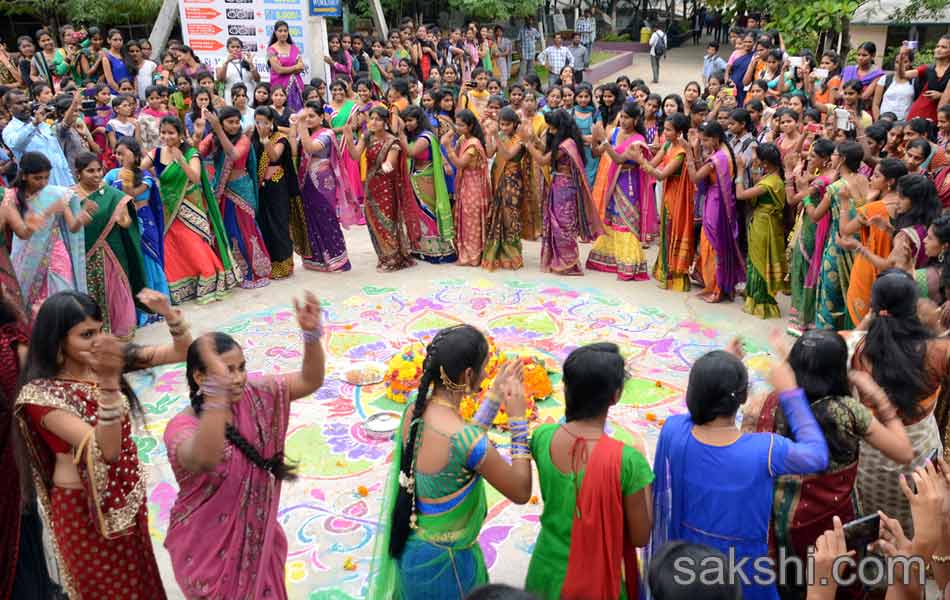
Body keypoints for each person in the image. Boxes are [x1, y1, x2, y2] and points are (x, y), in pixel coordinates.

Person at [14, 289, 190, 600]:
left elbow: (180, 352)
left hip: (124, 497)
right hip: (85, 511)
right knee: (109, 591)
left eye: (98, 330)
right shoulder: (41, 396)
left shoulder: (103, 361)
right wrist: (109, 385)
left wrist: (170, 315)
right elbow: (104, 452)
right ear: (58, 340)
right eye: (85, 334)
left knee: (139, 579)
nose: (97, 341)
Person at [164, 291, 325, 599]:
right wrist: (217, 396)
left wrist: (311, 336)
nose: (237, 378)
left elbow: (309, 380)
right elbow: (203, 459)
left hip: (259, 541)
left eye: (240, 367)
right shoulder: (181, 429)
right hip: (209, 555)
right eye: (226, 370)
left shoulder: (255, 394)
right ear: (199, 377)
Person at [648, 334, 829, 600]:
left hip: (687, 568)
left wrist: (718, 373)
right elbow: (817, 455)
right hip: (745, 572)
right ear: (743, 398)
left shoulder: (674, 433)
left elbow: (698, 414)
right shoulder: (764, 449)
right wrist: (791, 393)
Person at [368, 325, 532, 599]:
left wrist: (493, 397)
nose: (486, 374)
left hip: (412, 552)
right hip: (448, 567)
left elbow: (463, 444)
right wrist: (517, 420)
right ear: (468, 374)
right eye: (484, 368)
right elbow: (520, 490)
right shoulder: (466, 441)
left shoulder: (414, 408)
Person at [749, 330, 912, 599]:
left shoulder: (770, 402)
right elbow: (904, 452)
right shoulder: (848, 411)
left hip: (778, 526)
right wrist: (880, 399)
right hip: (831, 527)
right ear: (839, 370)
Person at [524, 342, 653, 599]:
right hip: (599, 580)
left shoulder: (542, 437)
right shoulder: (628, 460)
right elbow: (640, 536)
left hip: (545, 574)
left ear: (565, 389)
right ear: (616, 396)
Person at [852, 269, 950, 535]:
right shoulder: (938, 351)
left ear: (874, 307)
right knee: (921, 522)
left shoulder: (856, 349)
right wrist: (940, 326)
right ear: (915, 307)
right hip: (921, 456)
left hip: (874, 455)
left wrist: (868, 320)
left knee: (880, 526)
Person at [147, 116, 239, 304]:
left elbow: (196, 178)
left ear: (181, 134)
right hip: (167, 208)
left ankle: (208, 279)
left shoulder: (191, 154)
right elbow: (139, 169)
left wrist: (181, 161)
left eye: (171, 133)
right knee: (172, 247)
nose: (166, 137)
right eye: (163, 133)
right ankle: (181, 287)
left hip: (189, 207)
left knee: (193, 245)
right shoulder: (156, 152)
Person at [73, 152, 146, 339]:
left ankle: (121, 333)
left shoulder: (114, 195)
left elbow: (127, 223)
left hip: (112, 250)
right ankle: (96, 334)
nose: (97, 175)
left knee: (117, 290)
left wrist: (124, 221)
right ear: (78, 173)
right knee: (89, 294)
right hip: (83, 254)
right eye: (90, 171)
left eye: (99, 170)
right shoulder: (70, 197)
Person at [8, 152, 89, 317]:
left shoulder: (56, 194)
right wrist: (46, 213)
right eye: (37, 178)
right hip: (25, 258)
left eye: (46, 177)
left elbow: (72, 227)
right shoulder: (12, 198)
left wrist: (81, 218)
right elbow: (23, 232)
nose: (43, 183)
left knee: (63, 295)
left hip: (56, 255)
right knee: (33, 304)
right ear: (24, 176)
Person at [200, 106, 272, 288]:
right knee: (227, 229)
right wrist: (200, 132)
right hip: (222, 190)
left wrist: (217, 129)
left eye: (236, 122)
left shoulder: (243, 140)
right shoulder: (214, 138)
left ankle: (254, 271)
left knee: (246, 230)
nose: (233, 126)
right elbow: (198, 153)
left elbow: (233, 154)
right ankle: (232, 270)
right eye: (229, 122)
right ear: (222, 122)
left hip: (241, 190)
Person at [525, 109, 603, 275]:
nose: (551, 131)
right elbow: (547, 151)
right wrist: (535, 141)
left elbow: (543, 160)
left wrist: (528, 144)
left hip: (565, 188)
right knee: (557, 224)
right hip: (558, 185)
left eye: (553, 128)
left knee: (563, 225)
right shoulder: (567, 141)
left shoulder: (567, 144)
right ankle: (560, 260)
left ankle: (568, 263)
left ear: (561, 127)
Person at [104, 137, 170, 325]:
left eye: (123, 152)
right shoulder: (111, 175)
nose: (119, 157)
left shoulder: (145, 176)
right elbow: (104, 193)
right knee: (134, 262)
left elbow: (130, 193)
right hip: (125, 224)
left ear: (134, 154)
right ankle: (139, 309)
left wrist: (125, 176)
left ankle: (158, 305)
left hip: (145, 222)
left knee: (150, 261)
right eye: (117, 153)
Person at [343, 106, 415, 271]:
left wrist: (386, 165)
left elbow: (391, 164)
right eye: (371, 119)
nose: (373, 122)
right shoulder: (367, 136)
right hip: (371, 185)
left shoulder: (393, 142)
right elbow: (355, 156)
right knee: (372, 220)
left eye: (377, 119)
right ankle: (383, 255)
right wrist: (348, 138)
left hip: (386, 187)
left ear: (385, 122)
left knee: (387, 222)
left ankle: (393, 259)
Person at [588, 104, 652, 280]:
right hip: (613, 183)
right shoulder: (615, 133)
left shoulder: (638, 140)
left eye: (627, 117)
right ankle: (609, 260)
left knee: (625, 223)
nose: (623, 121)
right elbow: (595, 153)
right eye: (621, 117)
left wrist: (605, 141)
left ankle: (629, 264)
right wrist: (595, 137)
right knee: (612, 221)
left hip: (628, 185)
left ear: (636, 120)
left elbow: (618, 159)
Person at [841, 159, 908, 325]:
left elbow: (845, 230)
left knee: (861, 321)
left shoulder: (874, 209)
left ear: (890, 182)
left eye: (877, 175)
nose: (871, 178)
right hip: (896, 273)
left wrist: (844, 202)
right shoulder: (907, 206)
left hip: (870, 266)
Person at [811, 141, 869, 330]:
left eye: (835, 154)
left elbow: (815, 216)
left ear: (842, 158)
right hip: (859, 244)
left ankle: (826, 334)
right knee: (851, 291)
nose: (832, 157)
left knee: (831, 294)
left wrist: (805, 195)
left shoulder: (835, 188)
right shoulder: (863, 180)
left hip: (838, 245)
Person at [290, 100, 352, 273]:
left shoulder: (327, 133)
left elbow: (310, 148)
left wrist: (301, 125)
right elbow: (295, 152)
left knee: (326, 217)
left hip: (323, 182)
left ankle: (337, 259)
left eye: (312, 116)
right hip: (306, 181)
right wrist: (294, 130)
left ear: (321, 117)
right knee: (310, 218)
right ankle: (316, 260)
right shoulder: (305, 133)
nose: (308, 119)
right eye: (306, 116)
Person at [687, 121, 745, 303]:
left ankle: (716, 287)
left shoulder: (717, 159)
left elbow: (695, 177)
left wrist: (690, 152)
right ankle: (720, 285)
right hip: (719, 200)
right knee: (716, 243)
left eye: (705, 140)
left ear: (716, 138)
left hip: (716, 203)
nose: (703, 143)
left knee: (711, 243)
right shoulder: (724, 153)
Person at [637, 113, 695, 290]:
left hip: (678, 196)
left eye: (669, 130)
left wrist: (641, 161)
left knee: (672, 230)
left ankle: (674, 276)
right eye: (665, 129)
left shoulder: (681, 153)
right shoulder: (668, 144)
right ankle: (664, 270)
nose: (665, 132)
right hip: (668, 193)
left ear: (679, 132)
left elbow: (661, 175)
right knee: (665, 231)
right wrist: (644, 161)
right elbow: (653, 164)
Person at [786, 138, 837, 335]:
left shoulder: (820, 181)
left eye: (813, 156)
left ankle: (802, 318)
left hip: (813, 226)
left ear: (825, 159)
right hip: (821, 225)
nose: (809, 157)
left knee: (803, 267)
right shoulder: (828, 176)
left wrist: (789, 174)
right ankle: (810, 316)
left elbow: (792, 199)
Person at [397, 105, 456, 264]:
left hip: (426, 177)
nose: (407, 124)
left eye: (410, 120)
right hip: (415, 176)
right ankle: (420, 247)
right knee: (417, 213)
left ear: (419, 120)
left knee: (427, 211)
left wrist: (400, 132)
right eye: (405, 121)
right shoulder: (414, 136)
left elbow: (411, 153)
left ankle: (437, 249)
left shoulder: (425, 136)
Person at [735, 143, 787, 318]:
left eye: (758, 160)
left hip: (764, 225)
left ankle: (759, 302)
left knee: (759, 261)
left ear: (766, 163)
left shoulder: (770, 183)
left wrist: (740, 172)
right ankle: (754, 294)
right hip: (766, 222)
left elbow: (741, 195)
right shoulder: (774, 177)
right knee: (757, 259)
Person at [250, 106, 299, 279]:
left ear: (272, 123)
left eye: (264, 122)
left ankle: (284, 265)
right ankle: (269, 263)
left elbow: (275, 157)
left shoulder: (280, 139)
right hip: (261, 189)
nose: (260, 125)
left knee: (279, 224)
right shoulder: (252, 140)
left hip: (277, 187)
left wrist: (265, 141)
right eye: (257, 122)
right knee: (264, 225)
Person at [442, 109, 490, 266]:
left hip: (474, 186)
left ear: (470, 126)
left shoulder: (474, 144)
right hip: (464, 184)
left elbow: (460, 163)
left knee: (472, 220)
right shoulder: (463, 138)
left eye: (461, 125)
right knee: (464, 218)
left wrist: (447, 147)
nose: (458, 127)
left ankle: (473, 255)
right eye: (456, 123)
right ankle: (465, 251)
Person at [482, 107, 528, 270]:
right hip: (497, 177)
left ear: (515, 124)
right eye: (501, 124)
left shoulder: (519, 139)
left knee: (510, 214)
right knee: (497, 213)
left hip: (513, 179)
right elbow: (488, 153)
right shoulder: (499, 135)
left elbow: (508, 155)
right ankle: (497, 249)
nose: (503, 128)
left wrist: (495, 135)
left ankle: (512, 252)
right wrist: (488, 133)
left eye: (507, 125)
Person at [3, 89, 74, 186]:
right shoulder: (9, 130)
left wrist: (71, 181)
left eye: (26, 101)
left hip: (64, 182)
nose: (25, 105)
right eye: (19, 103)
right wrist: (34, 124)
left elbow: (59, 155)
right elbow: (17, 144)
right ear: (9, 108)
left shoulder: (43, 124)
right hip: (41, 188)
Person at [899, 35, 950, 123]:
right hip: (918, 111)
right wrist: (902, 56)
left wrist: (941, 95)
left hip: (939, 116)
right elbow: (903, 75)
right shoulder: (927, 68)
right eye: (937, 46)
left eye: (943, 47)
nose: (938, 49)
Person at [267, 21, 306, 112]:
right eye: (280, 31)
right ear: (275, 32)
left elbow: (301, 67)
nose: (283, 33)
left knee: (298, 112)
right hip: (279, 86)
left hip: (296, 86)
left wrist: (286, 68)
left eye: (285, 31)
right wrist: (295, 67)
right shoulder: (271, 50)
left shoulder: (294, 48)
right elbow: (279, 70)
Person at [217, 37, 260, 105]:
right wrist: (226, 63)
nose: (235, 49)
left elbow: (257, 79)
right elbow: (221, 79)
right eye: (232, 47)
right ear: (228, 49)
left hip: (249, 94)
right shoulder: (222, 61)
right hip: (231, 95)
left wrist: (251, 64)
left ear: (241, 48)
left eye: (238, 47)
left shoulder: (247, 60)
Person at [517, 18, 542, 84]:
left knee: (531, 71)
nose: (530, 21)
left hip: (532, 54)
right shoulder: (522, 30)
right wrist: (520, 54)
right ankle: (520, 86)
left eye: (531, 20)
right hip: (524, 55)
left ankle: (529, 84)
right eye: (528, 20)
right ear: (526, 21)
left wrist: (535, 43)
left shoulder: (534, 30)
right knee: (522, 72)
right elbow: (518, 42)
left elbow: (539, 37)